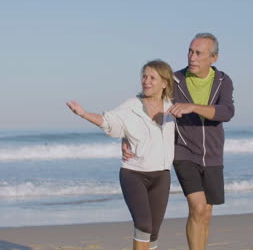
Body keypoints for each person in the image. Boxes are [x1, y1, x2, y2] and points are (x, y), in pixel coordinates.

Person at [123, 33, 235, 250]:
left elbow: (227, 112)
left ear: (213, 58)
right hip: (183, 151)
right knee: (198, 206)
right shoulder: (174, 80)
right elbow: (144, 103)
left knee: (205, 213)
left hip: (213, 153)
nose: (192, 57)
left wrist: (193, 107)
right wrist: (126, 137)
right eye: (190, 51)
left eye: (199, 53)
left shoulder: (223, 80)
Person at [67, 60, 175, 250]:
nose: (146, 81)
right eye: (144, 76)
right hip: (134, 174)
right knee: (143, 225)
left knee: (154, 232)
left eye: (152, 77)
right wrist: (84, 114)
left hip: (162, 175)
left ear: (165, 82)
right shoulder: (131, 105)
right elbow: (110, 122)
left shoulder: (172, 108)